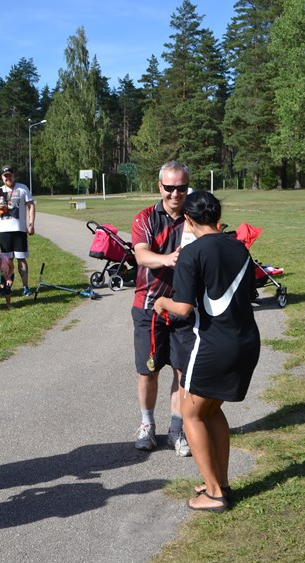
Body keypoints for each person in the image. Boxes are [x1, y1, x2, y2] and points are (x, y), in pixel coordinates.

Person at [154, 191, 260, 512]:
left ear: (188, 219)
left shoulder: (191, 252)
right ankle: (221, 483)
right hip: (247, 341)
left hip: (215, 344)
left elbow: (183, 307)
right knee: (211, 411)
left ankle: (214, 494)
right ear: (217, 215)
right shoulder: (239, 247)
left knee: (190, 414)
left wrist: (161, 303)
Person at [129, 161, 194, 454]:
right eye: (169, 188)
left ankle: (177, 430)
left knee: (183, 372)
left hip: (184, 306)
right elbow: (141, 256)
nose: (175, 194)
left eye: (181, 188)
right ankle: (147, 425)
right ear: (160, 187)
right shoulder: (145, 218)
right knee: (148, 371)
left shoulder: (195, 218)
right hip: (148, 306)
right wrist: (168, 259)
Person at [0, 165, 35, 296]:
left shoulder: (22, 188)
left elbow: (31, 206)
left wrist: (31, 224)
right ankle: (7, 287)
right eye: (5, 176)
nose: (8, 178)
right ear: (2, 177)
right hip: (4, 232)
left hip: (19, 230)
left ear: (13, 175)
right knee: (7, 261)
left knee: (21, 259)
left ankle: (25, 287)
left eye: (10, 175)